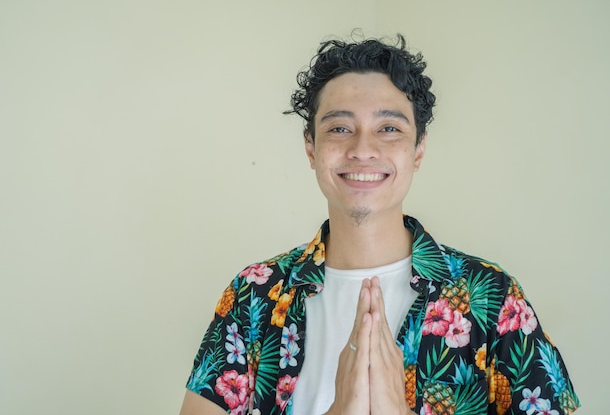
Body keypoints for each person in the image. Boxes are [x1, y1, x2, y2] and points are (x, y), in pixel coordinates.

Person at [178, 34, 579, 415]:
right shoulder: (252, 296)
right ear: (311, 148)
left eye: (389, 129)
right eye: (339, 128)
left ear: (418, 149)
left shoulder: (492, 298)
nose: (363, 149)